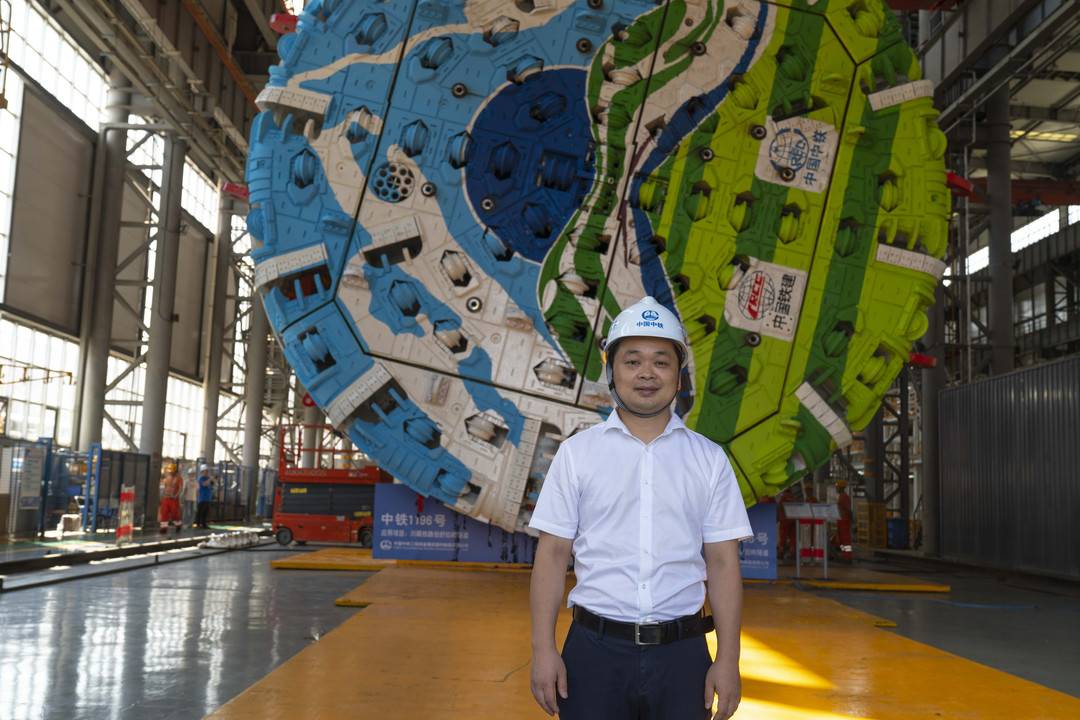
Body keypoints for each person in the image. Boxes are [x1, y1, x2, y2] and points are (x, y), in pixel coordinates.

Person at [529, 296, 752, 720]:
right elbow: (552, 554)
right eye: (632, 361)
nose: (647, 373)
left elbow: (723, 563)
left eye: (661, 362)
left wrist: (728, 659)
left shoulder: (708, 459)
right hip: (593, 655)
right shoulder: (577, 454)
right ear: (612, 372)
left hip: (683, 657)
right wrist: (543, 649)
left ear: (678, 375)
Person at [158, 462, 183, 534]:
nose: (170, 472)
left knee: (174, 513)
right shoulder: (166, 478)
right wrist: (162, 496)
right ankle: (163, 528)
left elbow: (180, 488)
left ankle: (178, 525)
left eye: (171, 471)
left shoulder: (179, 478)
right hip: (166, 498)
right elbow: (164, 487)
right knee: (164, 512)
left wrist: (176, 496)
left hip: (174, 499)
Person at [195, 465, 213, 529]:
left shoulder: (208, 478)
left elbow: (212, 485)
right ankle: (198, 523)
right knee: (200, 511)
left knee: (205, 512)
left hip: (208, 498)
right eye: (205, 471)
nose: (207, 472)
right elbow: (204, 484)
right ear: (202, 472)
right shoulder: (201, 478)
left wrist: (212, 479)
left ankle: (204, 523)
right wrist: (209, 479)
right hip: (202, 498)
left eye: (207, 471)